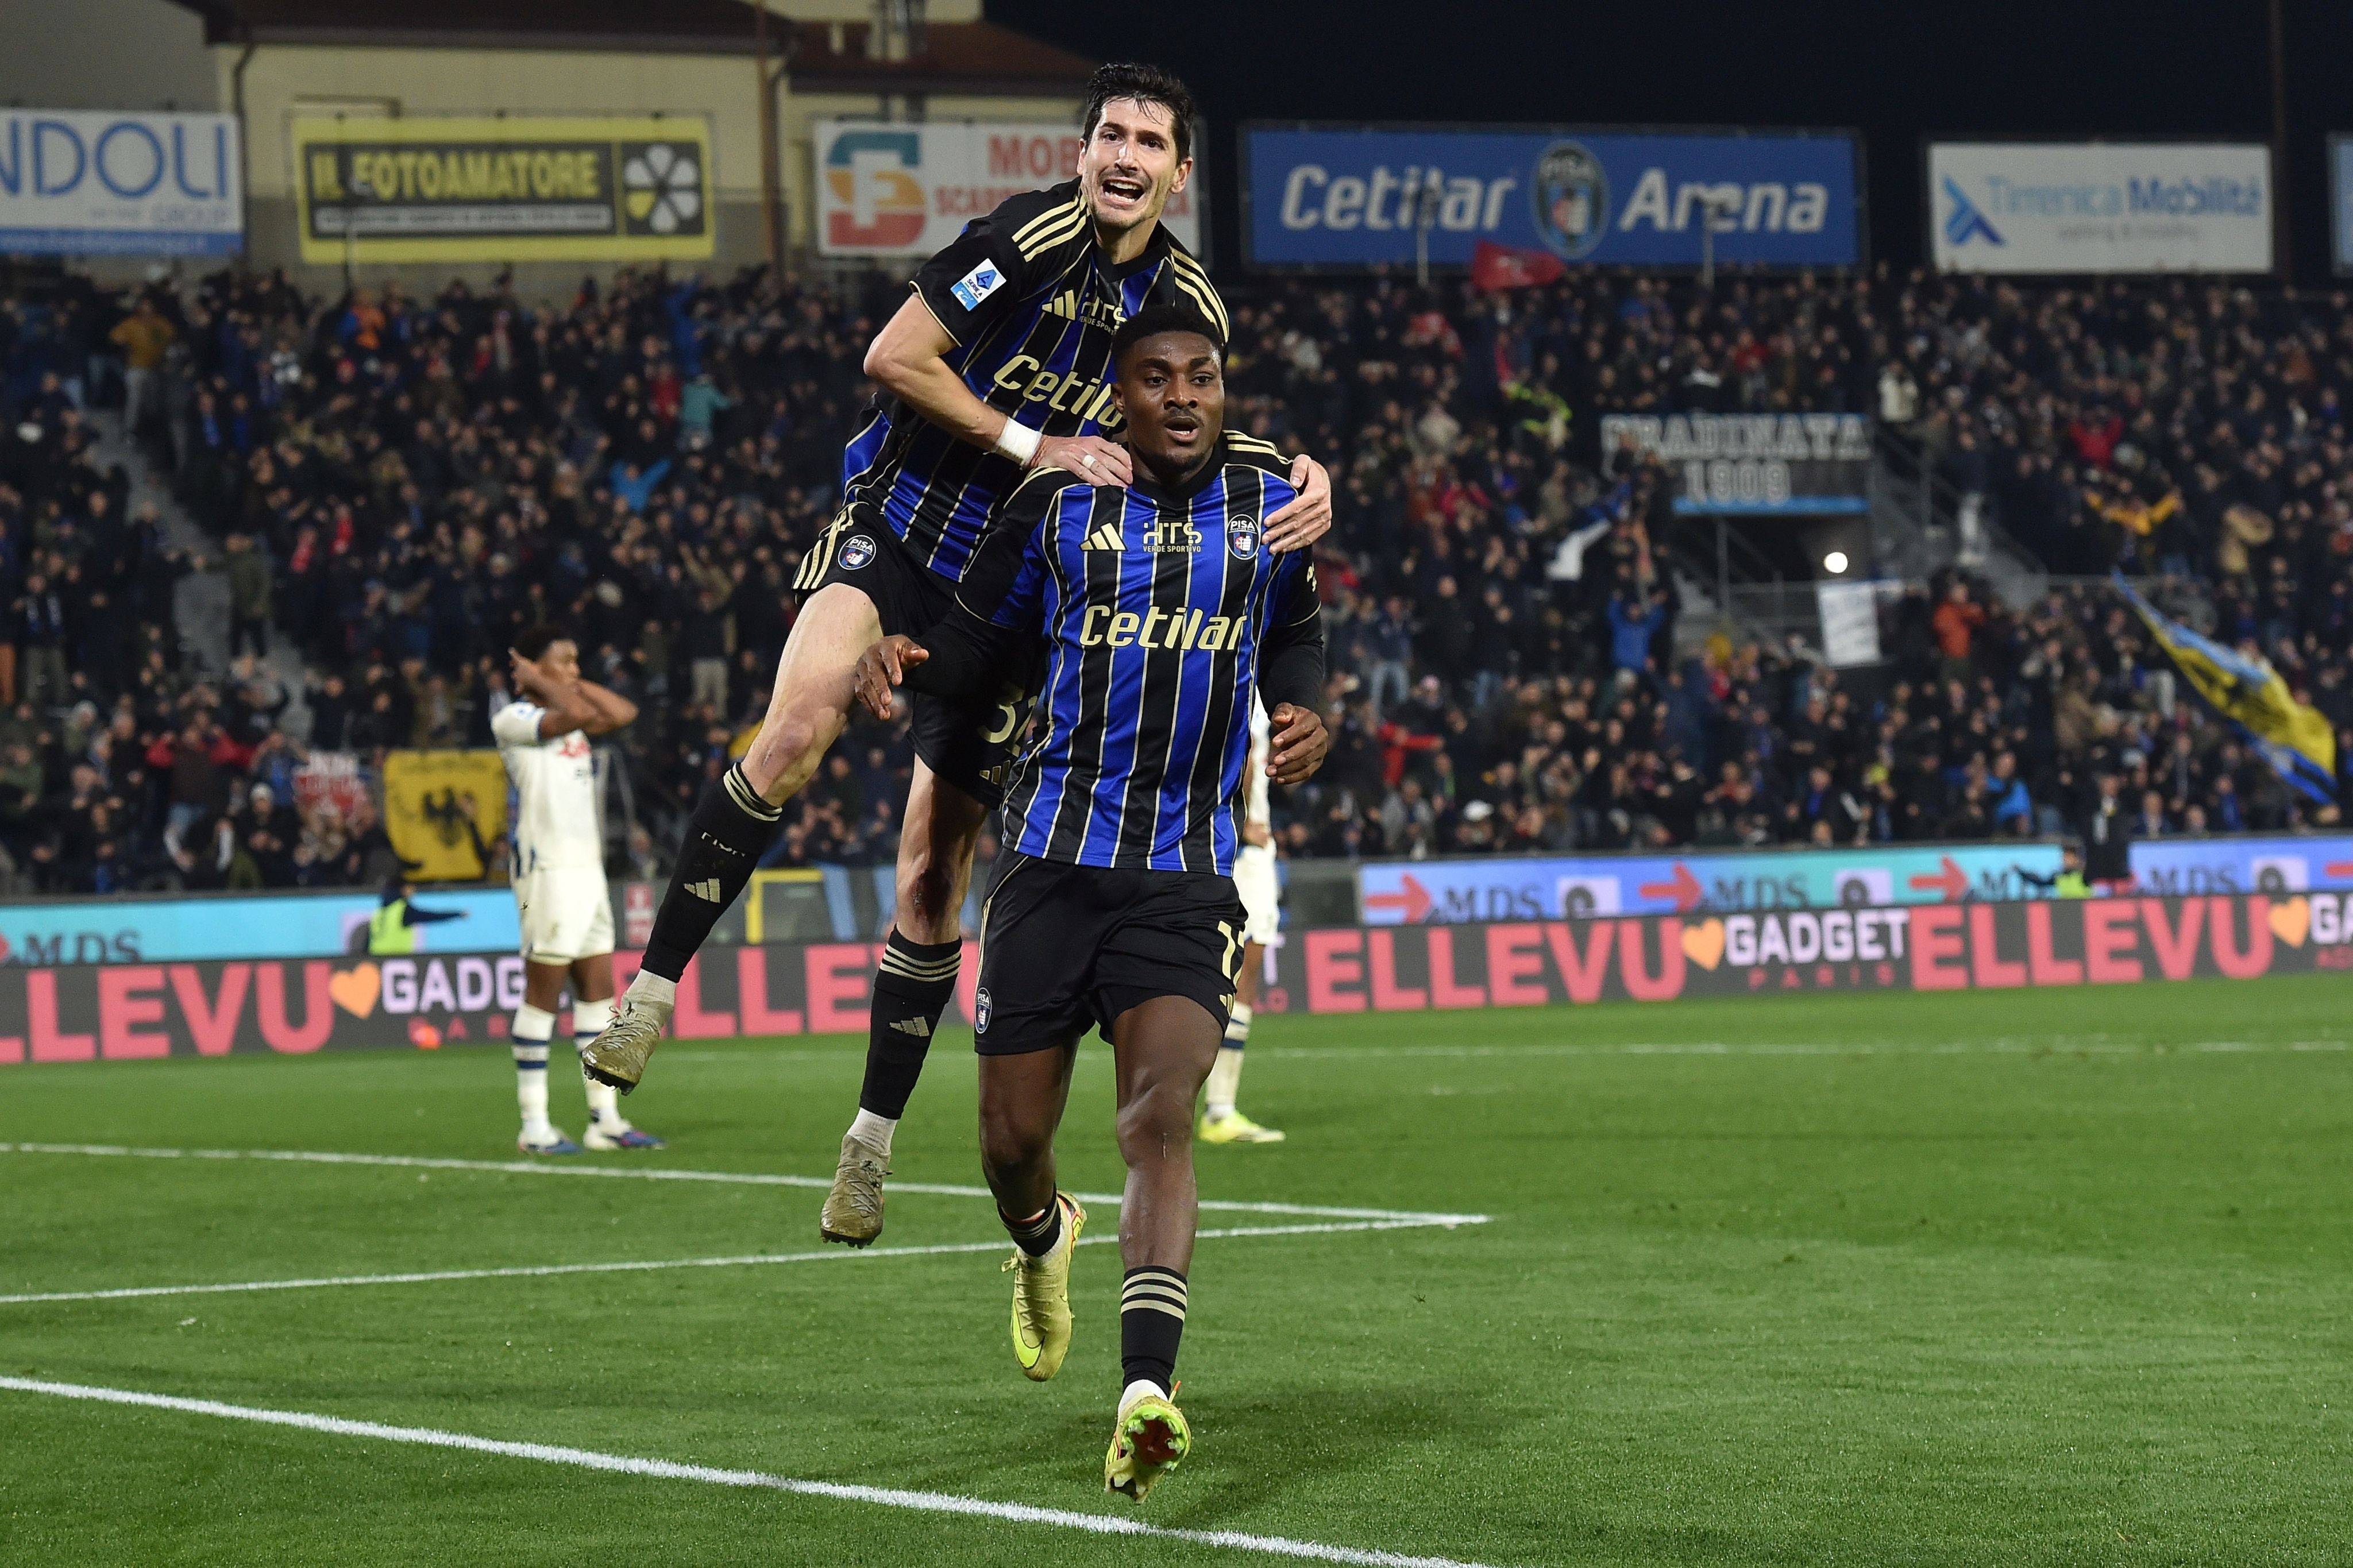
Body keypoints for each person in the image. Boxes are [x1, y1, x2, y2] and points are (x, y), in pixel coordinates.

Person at [580, 63, 1334, 1246]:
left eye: (1149, 141)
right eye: (1109, 137)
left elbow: (1193, 424)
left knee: (933, 871)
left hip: (1018, 588)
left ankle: (866, 1149)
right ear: (1081, 151)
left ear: (1178, 172)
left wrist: (1301, 472)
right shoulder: (1025, 236)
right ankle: (648, 996)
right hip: (904, 522)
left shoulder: (1184, 296)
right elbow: (892, 358)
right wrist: (1037, 440)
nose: (1125, 157)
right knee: (797, 724)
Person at [849, 305, 1331, 1499]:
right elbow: (972, 646)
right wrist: (907, 658)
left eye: (1202, 376)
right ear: (1116, 396)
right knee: (1010, 1145)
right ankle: (1038, 1240)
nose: (1181, 395)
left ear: (1225, 389)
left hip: (1184, 877)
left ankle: (1144, 1393)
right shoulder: (1059, 504)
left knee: (1155, 1125)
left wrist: (1310, 706)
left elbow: (1297, 628)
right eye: (1155, 378)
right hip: (1051, 868)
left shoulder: (1271, 497)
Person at [492, 626, 661, 1156]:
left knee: (597, 994)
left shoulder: (571, 716)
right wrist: (546, 682)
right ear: (534, 670)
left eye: (576, 661)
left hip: (587, 870)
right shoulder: (515, 719)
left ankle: (603, 1119)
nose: (574, 670)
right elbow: (580, 714)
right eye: (562, 661)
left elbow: (623, 713)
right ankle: (534, 1124)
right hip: (548, 872)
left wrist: (564, 677)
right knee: (543, 995)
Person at [1198, 696, 1284, 1144]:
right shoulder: (1247, 681)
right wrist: (1247, 820)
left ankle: (1211, 1106)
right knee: (1242, 978)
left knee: (1221, 975)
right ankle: (1220, 1110)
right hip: (1245, 854)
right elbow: (1247, 747)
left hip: (1224, 843)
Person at [365, 876, 467, 956]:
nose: (413, 891)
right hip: (396, 959)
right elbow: (430, 916)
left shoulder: (379, 912)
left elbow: (369, 941)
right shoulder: (402, 910)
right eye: (410, 888)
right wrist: (456, 914)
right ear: (402, 889)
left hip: (377, 961)